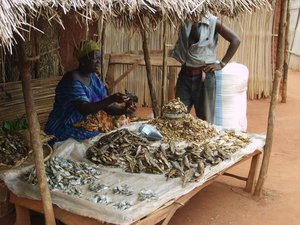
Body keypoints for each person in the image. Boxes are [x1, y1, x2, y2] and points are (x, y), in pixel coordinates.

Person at [45, 40, 137, 143]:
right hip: (65, 124)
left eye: (99, 58)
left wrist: (125, 109)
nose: (98, 61)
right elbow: (85, 108)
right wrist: (112, 99)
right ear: (83, 60)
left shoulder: (94, 78)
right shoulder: (72, 80)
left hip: (87, 120)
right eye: (95, 58)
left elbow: (107, 106)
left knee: (121, 120)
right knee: (103, 138)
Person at [172, 14, 240, 123]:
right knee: (177, 116)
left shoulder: (213, 22)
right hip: (184, 75)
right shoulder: (183, 18)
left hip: (204, 77)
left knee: (205, 121)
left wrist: (222, 64)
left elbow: (235, 40)